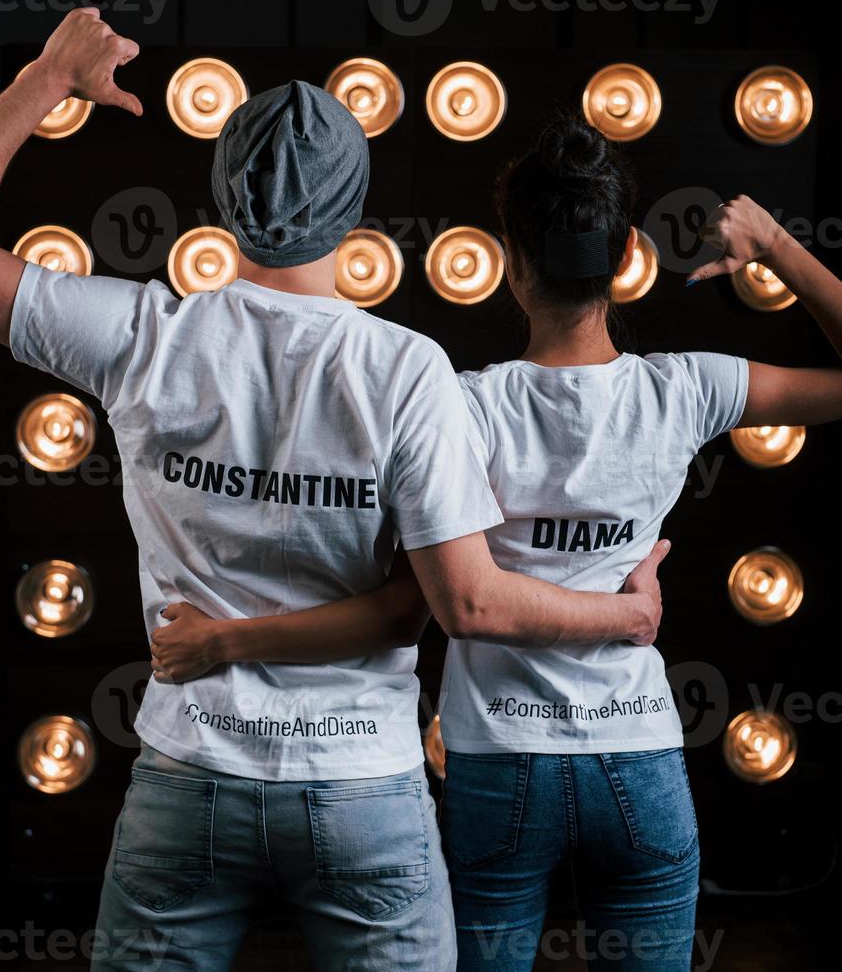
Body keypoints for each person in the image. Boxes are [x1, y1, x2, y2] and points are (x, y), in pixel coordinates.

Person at [0, 11, 668, 972]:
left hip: (188, 775)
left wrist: (46, 78)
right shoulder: (406, 369)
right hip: (362, 788)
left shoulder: (143, 336)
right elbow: (465, 602)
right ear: (354, 213)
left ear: (222, 200)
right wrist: (626, 616)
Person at [152, 117, 842, 972]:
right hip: (640, 759)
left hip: (496, 765)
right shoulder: (687, 389)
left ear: (511, 262)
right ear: (627, 253)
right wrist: (771, 241)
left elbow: (437, 598)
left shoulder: (456, 402)